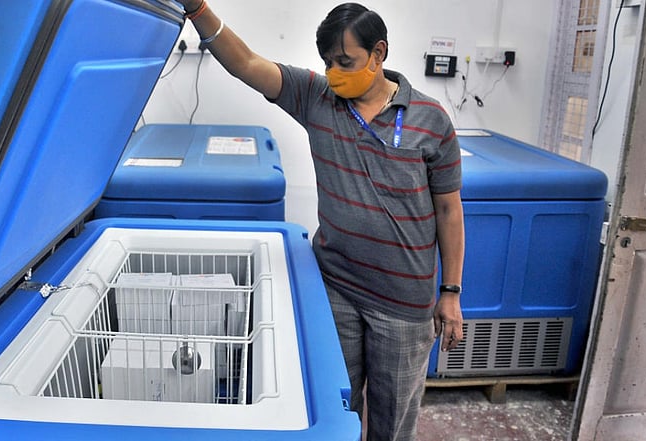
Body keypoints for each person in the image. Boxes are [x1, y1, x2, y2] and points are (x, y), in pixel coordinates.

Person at [175, 2, 465, 440]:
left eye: (345, 62)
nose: (334, 72)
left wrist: (451, 293)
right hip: (337, 293)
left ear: (378, 53)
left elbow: (449, 210)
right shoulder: (317, 98)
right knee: (335, 410)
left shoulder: (431, 120)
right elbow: (246, 63)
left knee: (391, 423)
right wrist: (196, 8)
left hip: (404, 305)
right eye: (328, 62)